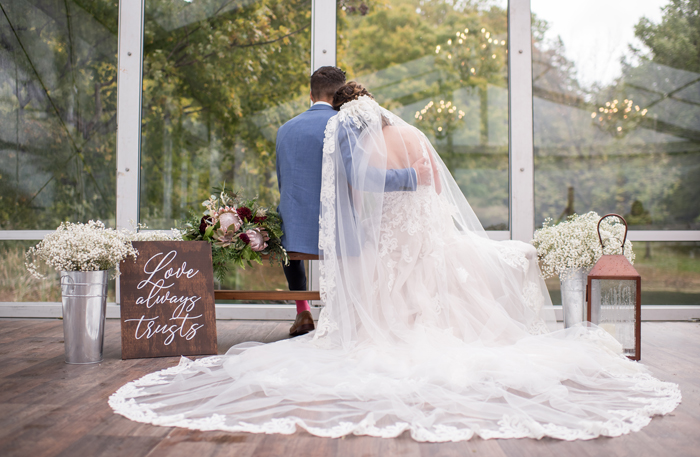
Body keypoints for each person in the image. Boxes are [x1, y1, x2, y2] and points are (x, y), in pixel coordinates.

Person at [110, 83, 680, 442]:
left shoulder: (327, 134)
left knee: (401, 279)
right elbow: (395, 187)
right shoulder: (390, 134)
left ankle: (346, 319)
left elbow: (349, 191)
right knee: (428, 276)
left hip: (347, 236)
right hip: (398, 235)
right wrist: (409, 189)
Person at [275, 68, 431, 336]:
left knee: (284, 222)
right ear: (339, 94)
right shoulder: (345, 124)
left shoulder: (284, 130)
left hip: (294, 234)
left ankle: (303, 310)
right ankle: (349, 310)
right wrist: (412, 177)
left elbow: (284, 182)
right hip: (338, 232)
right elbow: (363, 177)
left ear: (310, 95)